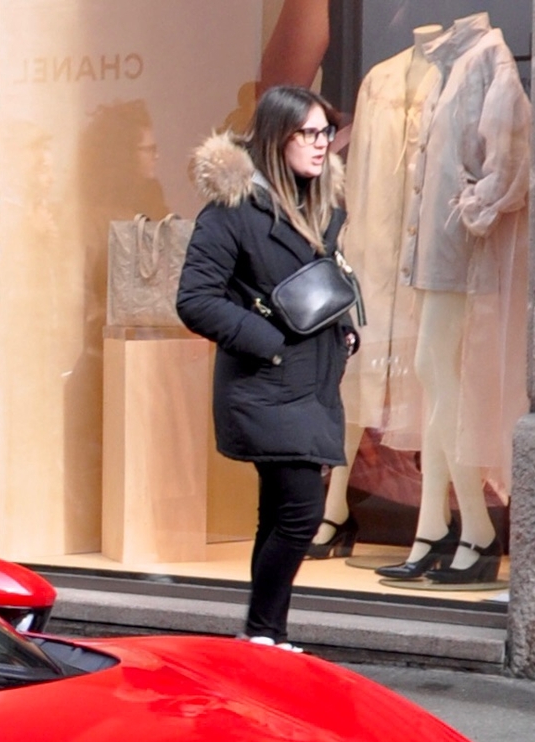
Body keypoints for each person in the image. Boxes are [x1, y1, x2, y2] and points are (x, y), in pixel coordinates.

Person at [174, 87, 354, 650]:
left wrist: (344, 327)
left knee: (278, 513)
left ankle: (264, 634)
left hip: (312, 384)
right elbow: (195, 299)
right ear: (278, 138)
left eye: (326, 132)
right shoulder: (233, 212)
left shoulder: (316, 208)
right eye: (309, 133)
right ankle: (262, 630)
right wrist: (270, 342)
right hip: (266, 384)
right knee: (302, 512)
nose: (322, 144)